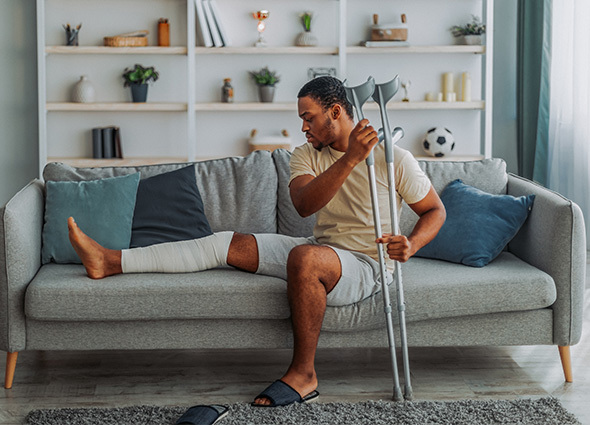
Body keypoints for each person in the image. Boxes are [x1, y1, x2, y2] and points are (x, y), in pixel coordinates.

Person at [68, 76, 446, 407]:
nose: (303, 128)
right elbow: (303, 205)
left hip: (369, 265)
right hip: (325, 248)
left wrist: (411, 245)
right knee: (225, 243)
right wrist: (349, 159)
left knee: (305, 258)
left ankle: (304, 376)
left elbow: (434, 211)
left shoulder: (393, 158)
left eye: (308, 118)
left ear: (335, 112)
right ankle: (111, 261)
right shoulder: (306, 156)